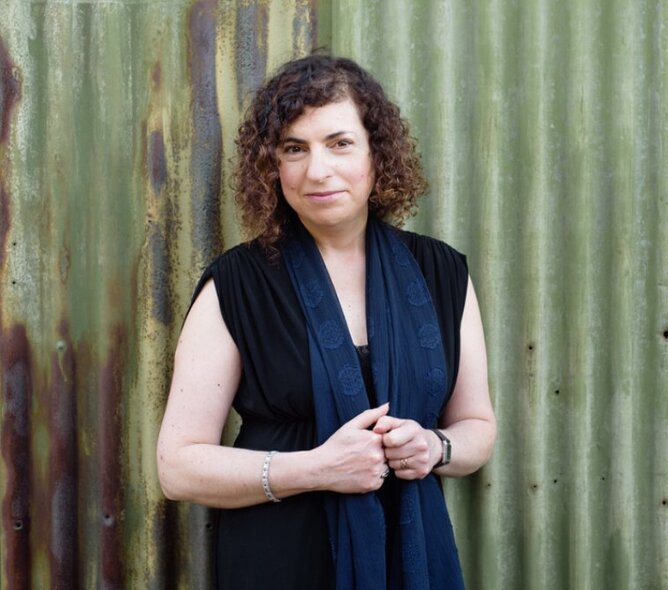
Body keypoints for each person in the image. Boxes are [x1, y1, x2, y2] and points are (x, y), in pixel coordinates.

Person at [156, 54, 496, 589]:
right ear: (273, 167)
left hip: (411, 556)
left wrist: (434, 447)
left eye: (340, 143)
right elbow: (178, 468)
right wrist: (317, 469)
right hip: (279, 559)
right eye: (294, 149)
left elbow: (476, 428)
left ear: (376, 156)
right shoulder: (238, 283)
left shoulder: (442, 272)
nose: (318, 170)